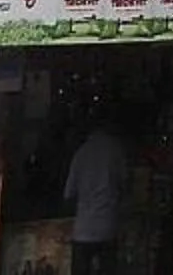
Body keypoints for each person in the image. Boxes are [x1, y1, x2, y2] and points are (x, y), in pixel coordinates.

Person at [65, 114, 130, 275]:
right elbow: (125, 183)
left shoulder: (81, 153)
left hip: (83, 230)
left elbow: (69, 193)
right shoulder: (115, 149)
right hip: (107, 226)